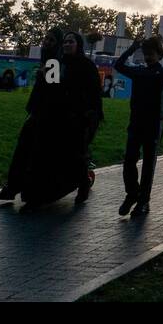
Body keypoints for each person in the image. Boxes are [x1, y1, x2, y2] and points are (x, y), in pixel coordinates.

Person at [113, 36, 163, 218]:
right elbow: (118, 65)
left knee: (148, 164)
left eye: (151, 54)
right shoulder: (138, 71)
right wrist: (132, 48)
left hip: (154, 124)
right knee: (129, 160)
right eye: (145, 54)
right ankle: (132, 194)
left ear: (159, 55)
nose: (147, 57)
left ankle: (143, 202)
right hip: (136, 123)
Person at [0, 28, 64, 202]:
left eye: (51, 40)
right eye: (46, 38)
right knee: (24, 151)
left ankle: (20, 188)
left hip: (42, 113)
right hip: (37, 110)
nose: (46, 42)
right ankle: (15, 187)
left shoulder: (53, 61)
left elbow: (52, 89)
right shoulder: (48, 59)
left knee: (26, 151)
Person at [61, 31, 103, 204]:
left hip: (82, 116)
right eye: (65, 42)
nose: (67, 44)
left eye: (71, 42)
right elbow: (52, 86)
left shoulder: (86, 65)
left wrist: (89, 113)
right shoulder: (59, 64)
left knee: (78, 151)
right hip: (63, 114)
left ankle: (83, 184)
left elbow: (95, 92)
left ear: (78, 44)